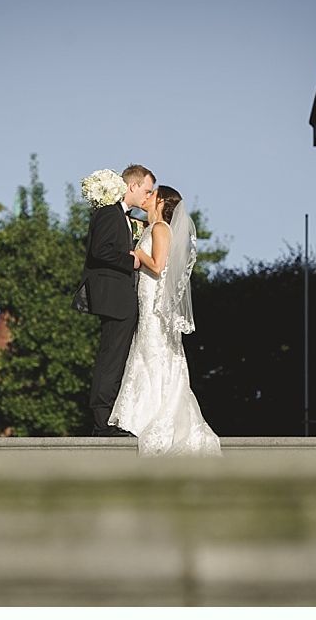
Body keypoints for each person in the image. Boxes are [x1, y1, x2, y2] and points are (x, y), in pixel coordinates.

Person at [109, 186, 222, 457]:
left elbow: (158, 266)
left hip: (153, 301)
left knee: (153, 352)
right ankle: (144, 413)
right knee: (147, 352)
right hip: (145, 298)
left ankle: (152, 415)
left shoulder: (160, 229)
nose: (145, 198)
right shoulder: (151, 228)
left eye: (151, 194)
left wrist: (135, 255)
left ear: (159, 202)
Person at [79, 164, 155, 436]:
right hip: (114, 298)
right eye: (146, 190)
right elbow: (100, 251)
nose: (147, 196)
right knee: (110, 358)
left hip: (119, 297)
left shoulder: (122, 215)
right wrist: (131, 260)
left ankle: (107, 418)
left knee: (116, 357)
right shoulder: (110, 213)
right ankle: (102, 422)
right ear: (132, 186)